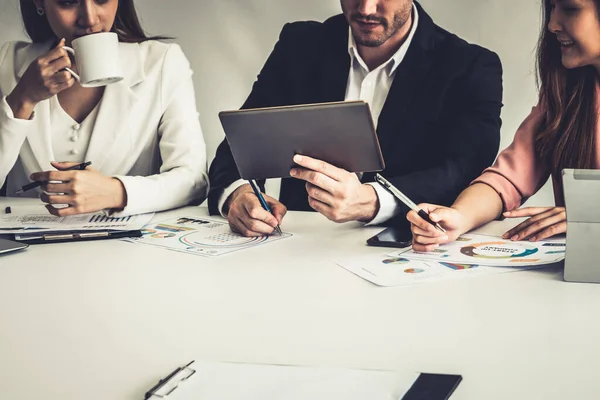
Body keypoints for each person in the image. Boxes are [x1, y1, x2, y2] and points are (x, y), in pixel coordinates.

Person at [208, 0, 503, 237]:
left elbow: (465, 171)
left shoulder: (471, 66)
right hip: (300, 252)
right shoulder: (299, 44)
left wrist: (372, 201)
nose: (366, 9)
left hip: (410, 256)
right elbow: (239, 144)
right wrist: (238, 195)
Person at [408, 0, 600, 251]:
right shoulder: (567, 93)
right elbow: (507, 179)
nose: (552, 24)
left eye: (570, 8)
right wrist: (459, 216)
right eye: (551, 8)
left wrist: (591, 215)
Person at [0, 0, 209, 216]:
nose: (89, 18)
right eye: (68, 2)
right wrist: (23, 99)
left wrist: (115, 192)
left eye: (101, 0)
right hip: (24, 245)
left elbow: (193, 179)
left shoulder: (161, 64)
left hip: (124, 246)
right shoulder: (8, 62)